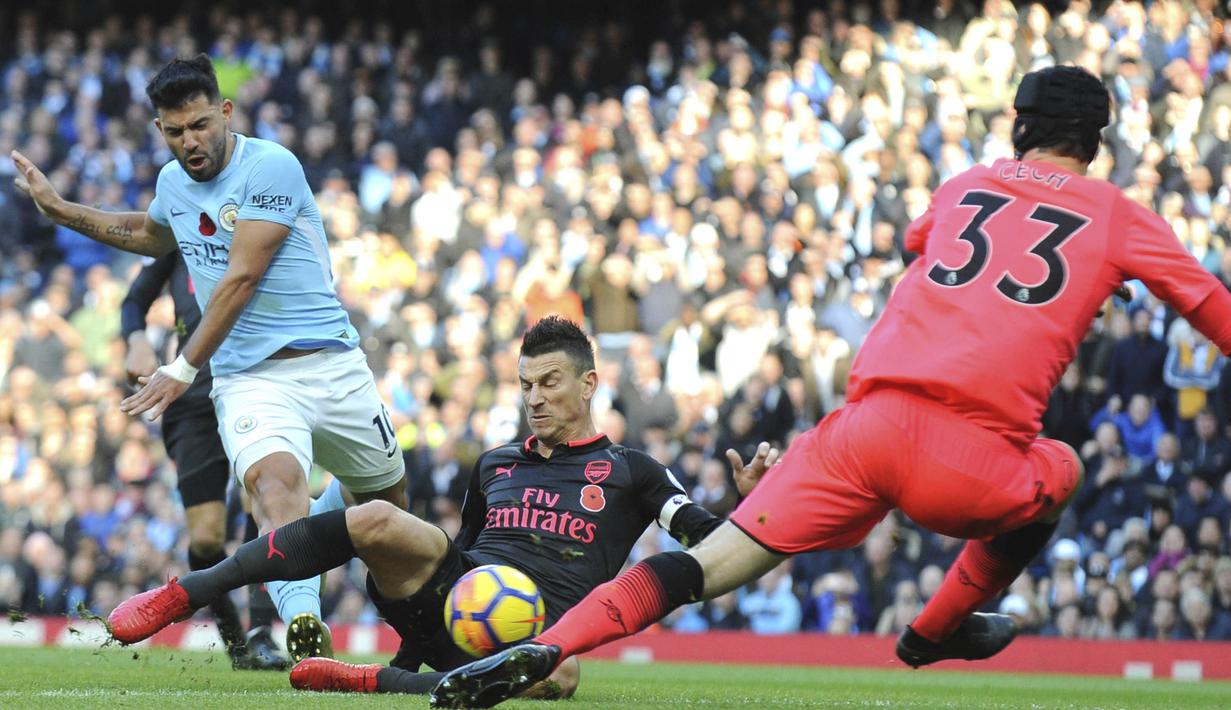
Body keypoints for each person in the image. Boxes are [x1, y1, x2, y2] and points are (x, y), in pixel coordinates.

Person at [426, 65, 1231, 709]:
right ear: (1097, 141)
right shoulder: (1118, 217)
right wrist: (1104, 273)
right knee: (1060, 469)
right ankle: (934, 630)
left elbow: (929, 242)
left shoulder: (964, 185)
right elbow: (1210, 310)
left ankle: (551, 645)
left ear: (1016, 126)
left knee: (704, 565)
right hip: (970, 459)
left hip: (859, 430)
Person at [105, 316, 775, 698]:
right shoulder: (494, 463)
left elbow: (702, 538)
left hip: (543, 627)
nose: (534, 398)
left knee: (560, 677)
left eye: (549, 383)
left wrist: (742, 506)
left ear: (588, 384)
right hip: (463, 596)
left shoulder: (632, 471)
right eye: (524, 386)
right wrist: (418, 643)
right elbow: (455, 563)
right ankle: (182, 594)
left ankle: (375, 683)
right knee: (377, 518)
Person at [11, 54, 409, 661]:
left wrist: (182, 367)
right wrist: (63, 210)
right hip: (249, 379)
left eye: (200, 125)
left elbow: (241, 277)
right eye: (175, 132)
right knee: (275, 485)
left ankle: (352, 540)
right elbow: (148, 234)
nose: (190, 142)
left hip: (332, 365)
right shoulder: (173, 182)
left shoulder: (271, 166)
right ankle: (305, 627)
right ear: (159, 131)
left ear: (225, 112)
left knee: (387, 511)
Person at [120, 250, 289, 671]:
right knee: (205, 538)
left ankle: (262, 631)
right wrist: (137, 339)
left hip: (253, 381)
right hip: (190, 394)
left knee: (262, 499)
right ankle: (236, 642)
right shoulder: (176, 233)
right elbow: (133, 300)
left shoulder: (257, 230)